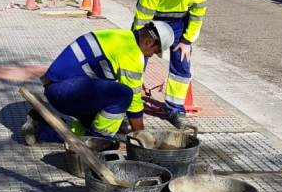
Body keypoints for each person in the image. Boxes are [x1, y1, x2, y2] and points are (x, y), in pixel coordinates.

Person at [21, 20, 174, 145]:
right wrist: (142, 138)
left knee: (96, 122)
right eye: (155, 52)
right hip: (63, 91)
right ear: (149, 42)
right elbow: (133, 101)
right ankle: (99, 143)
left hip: (59, 86)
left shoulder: (121, 36)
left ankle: (42, 128)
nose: (152, 56)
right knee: (123, 95)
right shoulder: (132, 54)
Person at [133, 0, 209, 124]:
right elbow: (143, 16)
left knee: (182, 64)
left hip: (179, 23)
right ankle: (129, 105)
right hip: (153, 22)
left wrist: (187, 41)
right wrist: (140, 43)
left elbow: (197, 15)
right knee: (136, 63)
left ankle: (175, 109)